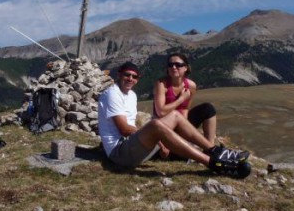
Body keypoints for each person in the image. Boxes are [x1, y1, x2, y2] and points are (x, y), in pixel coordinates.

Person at [98, 61, 250, 178]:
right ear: (119, 74)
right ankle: (213, 164)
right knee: (155, 125)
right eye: (127, 75)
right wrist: (158, 140)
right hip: (120, 154)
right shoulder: (113, 94)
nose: (130, 79)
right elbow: (124, 129)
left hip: (132, 147)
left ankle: (215, 151)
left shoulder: (131, 95)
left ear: (138, 79)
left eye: (134, 76)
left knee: (176, 115)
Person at [153, 53, 217, 159]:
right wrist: (181, 99)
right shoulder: (161, 84)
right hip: (165, 125)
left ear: (185, 68)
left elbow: (185, 109)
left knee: (208, 109)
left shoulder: (191, 86)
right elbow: (160, 112)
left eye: (178, 65)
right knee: (179, 156)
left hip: (180, 123)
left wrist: (186, 130)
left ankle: (210, 150)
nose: (174, 67)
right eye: (170, 65)